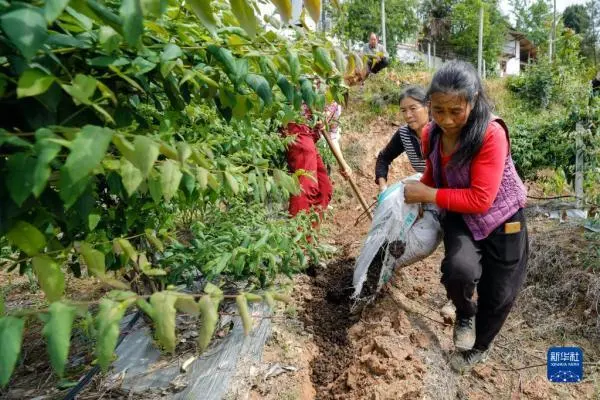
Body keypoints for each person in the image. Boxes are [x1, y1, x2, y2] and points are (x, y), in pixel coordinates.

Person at [403, 60, 529, 372]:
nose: (446, 120)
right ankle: (464, 313)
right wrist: (419, 195)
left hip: (502, 218)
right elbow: (434, 171)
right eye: (438, 109)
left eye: (455, 111)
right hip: (461, 213)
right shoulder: (431, 133)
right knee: (459, 271)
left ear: (472, 102)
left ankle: (480, 346)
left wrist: (428, 195)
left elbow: (481, 198)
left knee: (499, 293)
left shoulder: (490, 134)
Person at [375, 86, 429, 193]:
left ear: (428, 106)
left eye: (413, 108)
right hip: (427, 188)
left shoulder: (442, 131)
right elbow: (384, 158)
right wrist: (383, 187)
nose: (408, 115)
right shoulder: (404, 135)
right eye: (403, 110)